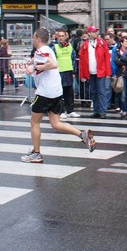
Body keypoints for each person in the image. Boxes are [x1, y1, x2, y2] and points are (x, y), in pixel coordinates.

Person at [22, 28, 95, 163]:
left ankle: (36, 153)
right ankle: (82, 135)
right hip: (56, 92)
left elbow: (53, 64)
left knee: (34, 122)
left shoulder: (42, 50)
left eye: (33, 37)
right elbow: (46, 59)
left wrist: (34, 68)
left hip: (45, 92)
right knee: (55, 123)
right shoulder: (48, 50)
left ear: (38, 38)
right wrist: (33, 61)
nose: (32, 39)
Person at [79, 26, 111, 119]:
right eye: (94, 32)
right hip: (90, 71)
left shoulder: (102, 43)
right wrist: (82, 74)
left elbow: (107, 59)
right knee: (93, 92)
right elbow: (82, 61)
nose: (96, 33)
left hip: (100, 71)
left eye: (96, 32)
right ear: (89, 33)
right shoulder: (85, 44)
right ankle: (96, 110)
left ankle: (102, 111)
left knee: (101, 91)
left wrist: (108, 72)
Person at [53, 29, 80, 119]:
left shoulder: (69, 46)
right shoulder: (54, 47)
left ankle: (70, 110)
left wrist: (74, 71)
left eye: (62, 36)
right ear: (57, 37)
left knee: (69, 92)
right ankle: (60, 111)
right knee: (60, 92)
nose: (61, 38)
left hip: (68, 71)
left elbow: (73, 59)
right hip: (58, 72)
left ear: (65, 36)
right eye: (59, 36)